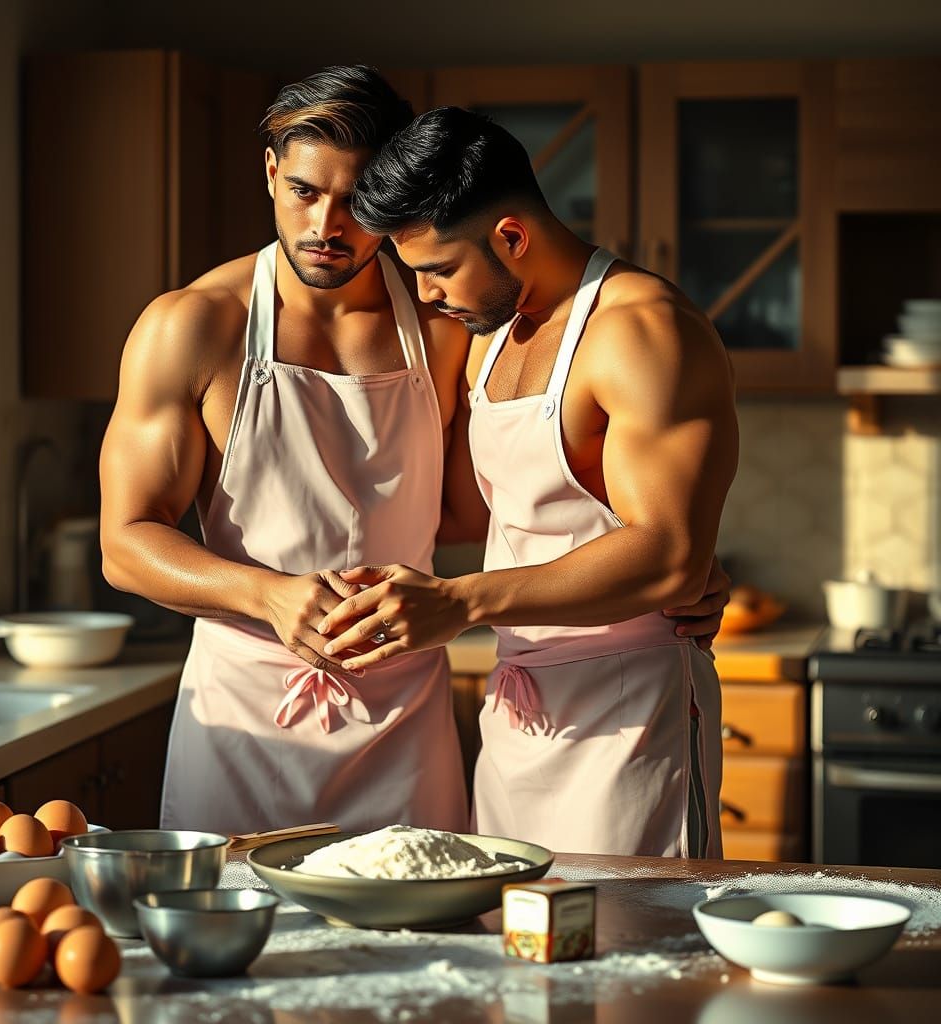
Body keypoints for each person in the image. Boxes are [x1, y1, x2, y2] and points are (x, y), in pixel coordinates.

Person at [99, 67, 728, 840]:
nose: (326, 225)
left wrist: (673, 566)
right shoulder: (190, 326)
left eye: (354, 200)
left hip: (406, 724)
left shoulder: (449, 325)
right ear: (270, 173)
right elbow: (124, 545)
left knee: (435, 950)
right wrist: (266, 596)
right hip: (243, 715)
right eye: (302, 191)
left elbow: (488, 509)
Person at [318, 106, 739, 857]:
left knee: (631, 956)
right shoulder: (491, 336)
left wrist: (461, 601)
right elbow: (498, 516)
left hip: (632, 715)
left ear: (511, 236)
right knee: (515, 950)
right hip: (518, 715)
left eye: (437, 270)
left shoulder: (641, 329)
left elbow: (670, 552)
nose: (426, 297)